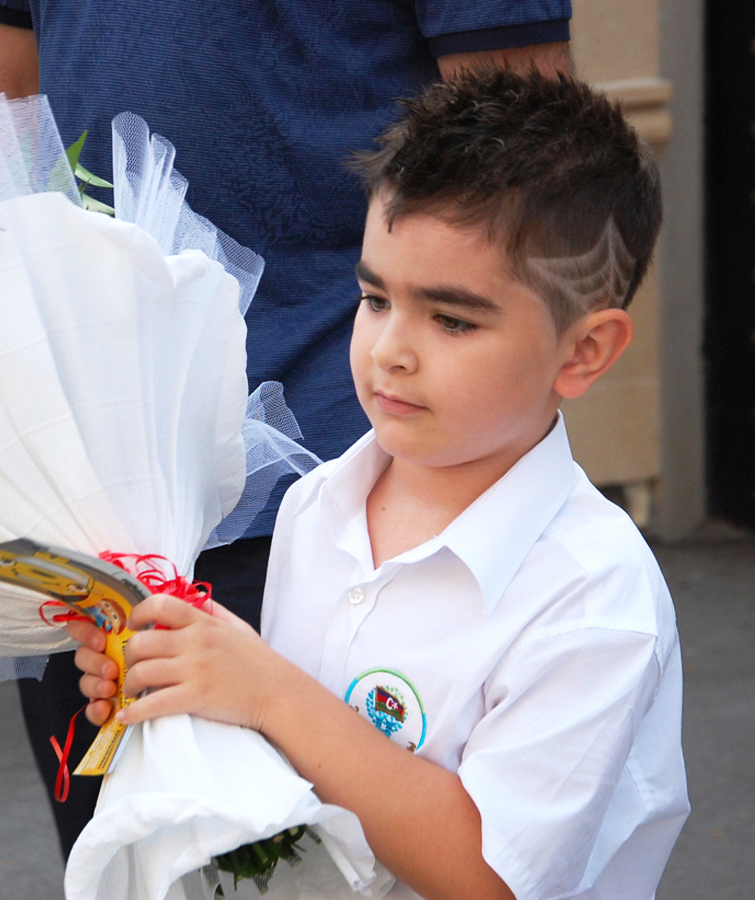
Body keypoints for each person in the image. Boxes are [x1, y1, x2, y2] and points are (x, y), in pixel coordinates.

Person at [0, 0, 574, 856]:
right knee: (129, 859)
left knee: (350, 855)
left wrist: (273, 694)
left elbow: (525, 164)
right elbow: (6, 90)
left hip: (336, 457)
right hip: (84, 471)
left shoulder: (585, 600)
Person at [71, 70, 690, 899]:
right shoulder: (316, 502)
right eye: (373, 297)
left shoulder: (594, 597)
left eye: (453, 319)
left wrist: (266, 691)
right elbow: (295, 776)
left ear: (582, 352)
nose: (388, 349)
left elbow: (488, 877)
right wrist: (181, 688)